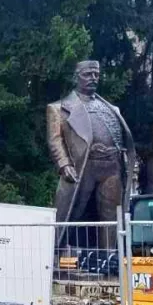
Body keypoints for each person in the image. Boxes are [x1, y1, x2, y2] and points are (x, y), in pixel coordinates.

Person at [47, 60, 137, 249]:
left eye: (96, 74)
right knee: (73, 214)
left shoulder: (112, 109)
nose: (93, 78)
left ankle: (109, 260)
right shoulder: (58, 109)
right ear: (76, 77)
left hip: (111, 166)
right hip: (82, 167)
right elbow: (55, 140)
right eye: (87, 74)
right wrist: (64, 164)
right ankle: (56, 256)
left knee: (110, 217)